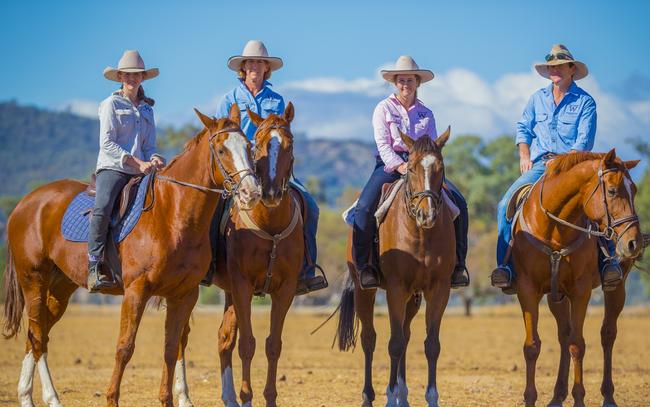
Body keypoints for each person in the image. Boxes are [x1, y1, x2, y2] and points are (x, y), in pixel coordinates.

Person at [491, 44, 622, 292]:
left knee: (600, 203)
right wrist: (524, 153)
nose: (556, 70)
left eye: (561, 65)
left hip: (573, 166)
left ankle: (608, 261)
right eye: (552, 67)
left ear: (572, 69)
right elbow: (523, 128)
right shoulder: (537, 99)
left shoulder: (585, 101)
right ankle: (505, 267)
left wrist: (563, 162)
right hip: (541, 165)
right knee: (504, 205)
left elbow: (584, 142)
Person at [213, 40, 327, 295]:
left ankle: (306, 270)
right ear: (243, 67)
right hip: (238, 168)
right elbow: (221, 135)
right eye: (250, 62)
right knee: (213, 207)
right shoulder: (228, 99)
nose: (255, 66)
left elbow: (279, 136)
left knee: (311, 206)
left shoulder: (276, 100)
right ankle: (208, 265)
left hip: (272, 167)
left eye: (260, 62)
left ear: (267, 68)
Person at [353, 55, 470, 290]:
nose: (405, 84)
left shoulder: (426, 113)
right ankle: (364, 266)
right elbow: (383, 144)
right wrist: (400, 166)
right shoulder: (383, 108)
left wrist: (421, 164)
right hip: (390, 166)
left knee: (459, 204)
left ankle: (458, 265)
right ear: (395, 83)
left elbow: (433, 146)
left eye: (409, 80)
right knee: (364, 207)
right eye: (400, 80)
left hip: (424, 167)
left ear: (418, 82)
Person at [87, 50, 165, 292]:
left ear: (142, 78)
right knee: (102, 207)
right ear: (120, 76)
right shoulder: (110, 104)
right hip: (114, 168)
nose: (132, 78)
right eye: (128, 74)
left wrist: (153, 158)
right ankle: (94, 265)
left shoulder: (147, 110)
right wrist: (137, 163)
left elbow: (149, 145)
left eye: (137, 75)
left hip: (141, 171)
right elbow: (107, 143)